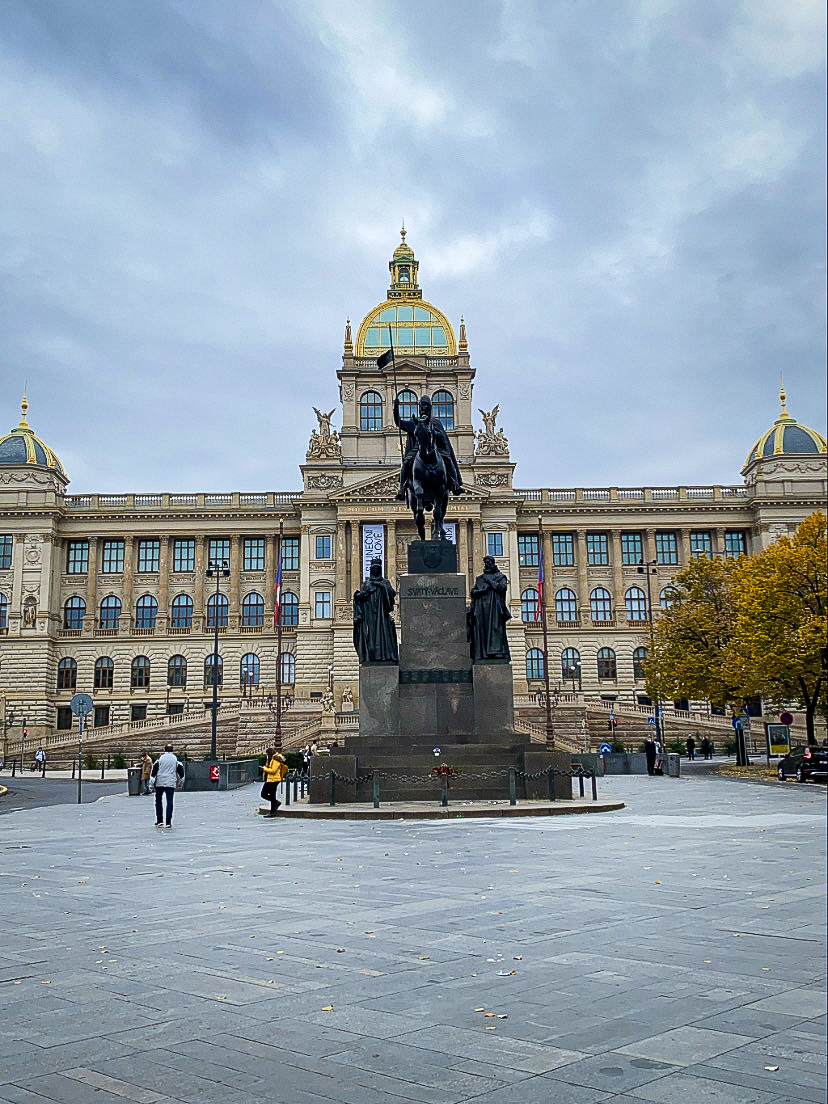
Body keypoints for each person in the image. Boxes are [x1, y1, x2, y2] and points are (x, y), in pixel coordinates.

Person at [393, 394, 464, 501]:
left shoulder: (435, 422)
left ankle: (456, 484)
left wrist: (436, 434)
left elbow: (441, 437)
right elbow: (400, 423)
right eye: (421, 406)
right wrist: (396, 409)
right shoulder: (415, 423)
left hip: (435, 449)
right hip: (417, 449)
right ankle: (402, 488)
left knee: (448, 460)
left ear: (429, 408)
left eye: (425, 406)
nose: (422, 408)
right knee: (407, 462)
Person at [353, 558, 399, 664]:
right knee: (371, 636)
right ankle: (372, 656)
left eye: (378, 568)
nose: (376, 570)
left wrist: (381, 586)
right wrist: (360, 595)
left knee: (385, 634)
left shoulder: (385, 582)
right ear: (371, 569)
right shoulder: (366, 583)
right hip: (369, 614)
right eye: (374, 568)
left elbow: (392, 593)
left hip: (382, 613)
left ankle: (386, 656)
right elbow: (360, 597)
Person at [467, 555, 511, 662]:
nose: (487, 564)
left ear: (493, 563)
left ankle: (497, 653)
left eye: (489, 562)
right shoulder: (480, 578)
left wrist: (490, 583)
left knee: (495, 630)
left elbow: (502, 587)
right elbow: (473, 592)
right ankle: (483, 654)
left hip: (494, 608)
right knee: (482, 631)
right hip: (481, 609)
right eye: (486, 562)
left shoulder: (500, 576)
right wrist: (481, 591)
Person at [150, 743, 184, 829]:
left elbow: (154, 772)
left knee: (158, 801)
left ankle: (159, 821)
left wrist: (151, 784)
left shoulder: (160, 759)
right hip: (171, 782)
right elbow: (181, 773)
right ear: (172, 750)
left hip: (160, 782)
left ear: (164, 750)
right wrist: (180, 783)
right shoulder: (176, 759)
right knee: (169, 802)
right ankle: (168, 822)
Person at [261, 748, 288, 817]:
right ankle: (275, 803)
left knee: (272, 795)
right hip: (270, 779)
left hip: (274, 780)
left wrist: (265, 769)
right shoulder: (272, 758)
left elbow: (273, 771)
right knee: (263, 794)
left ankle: (273, 811)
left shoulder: (276, 759)